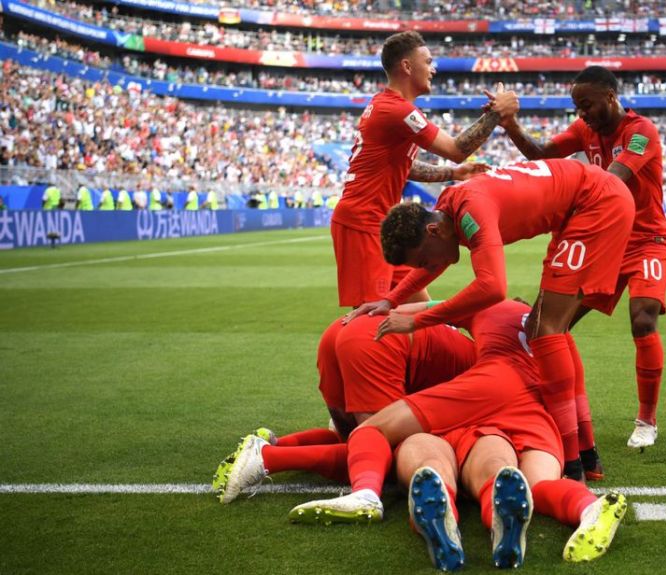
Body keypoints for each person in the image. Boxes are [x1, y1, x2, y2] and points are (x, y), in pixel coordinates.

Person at [346, 159, 634, 479]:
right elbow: (440, 263)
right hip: (587, 203)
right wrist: (390, 300)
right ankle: (586, 455)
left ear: (433, 230)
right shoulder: (449, 210)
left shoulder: (470, 209)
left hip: (596, 203)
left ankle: (573, 462)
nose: (429, 268)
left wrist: (416, 321)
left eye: (425, 259)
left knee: (544, 329)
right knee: (546, 325)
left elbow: (493, 288)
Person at [290, 300, 627, 566]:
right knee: (541, 485)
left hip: (488, 387)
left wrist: (387, 306)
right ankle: (588, 508)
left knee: (373, 430)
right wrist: (585, 460)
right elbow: (577, 398)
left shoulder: (495, 307)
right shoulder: (560, 335)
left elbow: (433, 307)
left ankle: (367, 494)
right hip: (538, 412)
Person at [500, 65, 666, 454]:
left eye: (587, 105)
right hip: (606, 238)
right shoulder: (584, 131)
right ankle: (536, 400)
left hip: (647, 237)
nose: (582, 114)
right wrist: (510, 126)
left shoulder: (641, 131)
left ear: (610, 98)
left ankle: (647, 421)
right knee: (549, 325)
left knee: (643, 318)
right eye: (577, 107)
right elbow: (542, 154)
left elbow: (612, 180)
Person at [331, 30, 518, 310]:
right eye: (428, 61)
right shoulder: (397, 110)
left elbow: (404, 168)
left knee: (417, 311)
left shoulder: (386, 106)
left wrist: (452, 174)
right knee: (369, 317)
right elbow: (456, 150)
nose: (433, 69)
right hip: (363, 222)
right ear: (407, 66)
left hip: (380, 223)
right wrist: (496, 113)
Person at [212, 312, 476, 503]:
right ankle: (268, 458)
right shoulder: (499, 370)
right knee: (391, 455)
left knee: (354, 440)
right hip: (377, 342)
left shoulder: (481, 340)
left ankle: (273, 444)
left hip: (348, 328)